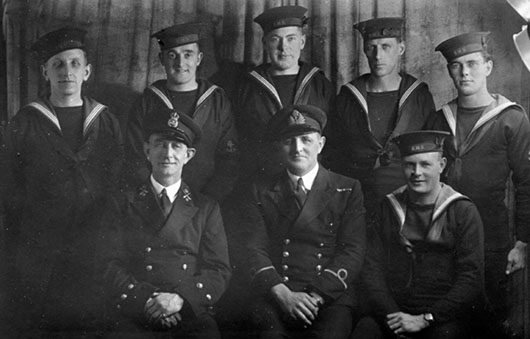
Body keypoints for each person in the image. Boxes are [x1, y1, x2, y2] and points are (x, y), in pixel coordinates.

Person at [0, 27, 123, 336]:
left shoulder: (105, 121)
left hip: (93, 241)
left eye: (74, 63)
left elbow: (120, 178)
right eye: (57, 64)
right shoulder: (26, 122)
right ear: (45, 72)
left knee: (90, 318)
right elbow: (8, 183)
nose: (66, 72)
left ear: (87, 71)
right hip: (41, 244)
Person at [424, 32, 530, 337]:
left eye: (472, 63)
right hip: (446, 235)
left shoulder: (511, 119)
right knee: (449, 320)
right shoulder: (439, 119)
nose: (464, 72)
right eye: (455, 66)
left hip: (493, 236)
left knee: (491, 318)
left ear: (488, 67)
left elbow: (526, 184)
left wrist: (522, 243)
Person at [98, 108, 231, 338]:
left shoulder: (206, 207)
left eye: (176, 146)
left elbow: (219, 270)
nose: (167, 153)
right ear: (147, 151)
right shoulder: (121, 202)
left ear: (188, 155)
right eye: (160, 144)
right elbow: (108, 264)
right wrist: (148, 301)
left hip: (189, 311)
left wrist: (180, 300)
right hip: (138, 310)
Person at [246, 104, 366, 339]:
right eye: (289, 141)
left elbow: (353, 251)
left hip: (329, 297)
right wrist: (284, 295)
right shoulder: (259, 190)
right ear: (280, 146)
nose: (297, 148)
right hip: (277, 293)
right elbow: (253, 248)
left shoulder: (348, 188)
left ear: (320, 144)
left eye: (305, 140)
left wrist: (316, 297)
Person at [352, 131, 484, 339]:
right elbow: (372, 268)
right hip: (394, 310)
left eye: (425, 164)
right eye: (409, 165)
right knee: (364, 333)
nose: (416, 172)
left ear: (442, 165)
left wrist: (426, 318)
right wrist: (394, 316)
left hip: (442, 316)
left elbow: (471, 278)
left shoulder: (462, 211)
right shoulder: (388, 207)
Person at [324, 17, 435, 226]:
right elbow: (333, 153)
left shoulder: (419, 95)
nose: (378, 56)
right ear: (364, 51)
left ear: (400, 49)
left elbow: (434, 154)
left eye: (386, 47)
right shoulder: (349, 96)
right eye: (371, 48)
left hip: (409, 202)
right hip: (358, 205)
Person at [125, 22, 238, 202]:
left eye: (188, 54)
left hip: (208, 203)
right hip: (156, 202)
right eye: (172, 55)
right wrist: (159, 199)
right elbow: (135, 158)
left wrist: (206, 202)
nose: (180, 63)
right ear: (162, 59)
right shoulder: (147, 102)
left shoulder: (218, 101)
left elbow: (229, 160)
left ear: (199, 58)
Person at [235, 5, 334, 182]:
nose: (284, 47)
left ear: (302, 42)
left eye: (291, 39)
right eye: (275, 40)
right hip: (262, 182)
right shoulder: (248, 86)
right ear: (265, 43)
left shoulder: (320, 84)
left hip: (310, 182)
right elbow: (241, 142)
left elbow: (334, 140)